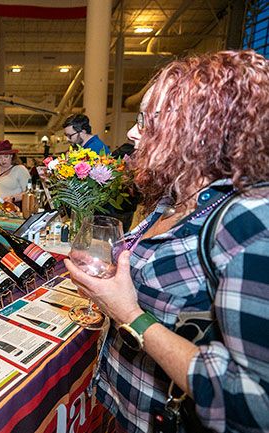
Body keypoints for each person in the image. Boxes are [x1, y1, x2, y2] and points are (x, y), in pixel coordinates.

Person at [65, 50, 269, 433]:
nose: (131, 132)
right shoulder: (170, 201)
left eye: (147, 119)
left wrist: (130, 316)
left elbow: (256, 405)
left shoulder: (248, 223)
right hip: (121, 408)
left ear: (201, 128)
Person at [0, 140, 30, 205]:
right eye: (0, 157)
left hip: (11, 210)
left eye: (6, 156)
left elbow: (29, 192)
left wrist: (13, 198)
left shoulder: (20, 169)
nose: (3, 160)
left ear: (11, 155)